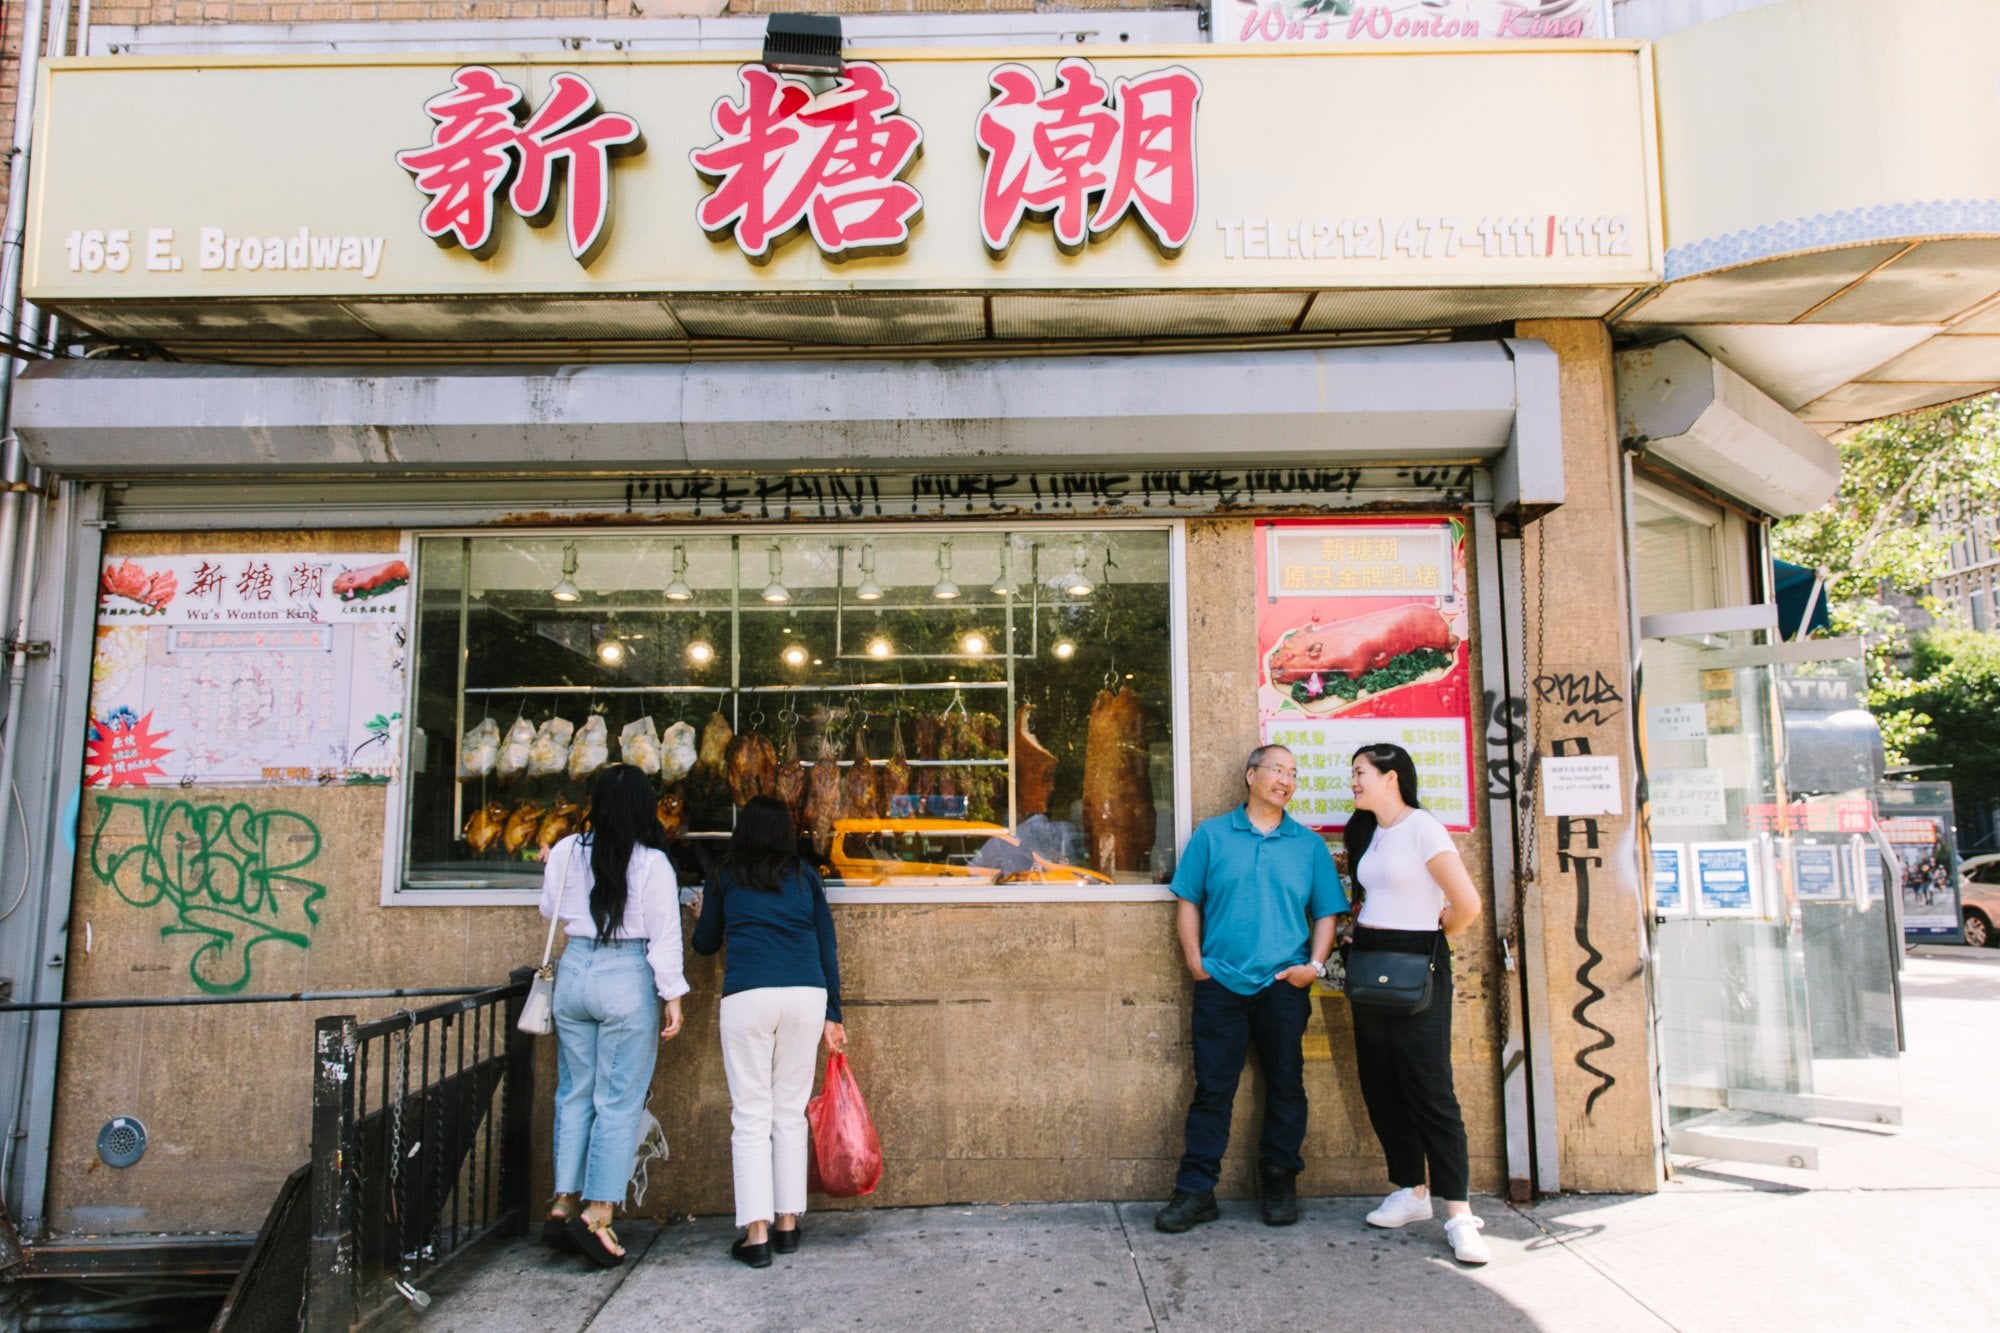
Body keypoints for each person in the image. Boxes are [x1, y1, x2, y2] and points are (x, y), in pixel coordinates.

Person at [1154, 743, 1347, 1234]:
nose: (1286, 779)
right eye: (1277, 769)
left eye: (1294, 773)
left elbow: (1327, 912)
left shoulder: (1306, 844)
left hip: (1284, 984)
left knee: (1286, 1086)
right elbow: (1188, 900)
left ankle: (1280, 1183)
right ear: (1250, 775)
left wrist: (1314, 966)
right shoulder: (1213, 835)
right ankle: (1196, 1191)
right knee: (1213, 1090)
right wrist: (1195, 961)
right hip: (1221, 983)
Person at [1344, 742, 1489, 1265]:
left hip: (1418, 960)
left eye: (1360, 773)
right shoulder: (1365, 831)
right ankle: (1411, 1190)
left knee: (1430, 1089)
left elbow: (1467, 905)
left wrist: (1428, 940)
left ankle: (1459, 1214)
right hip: (1369, 961)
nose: (1353, 782)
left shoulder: (1423, 827)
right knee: (1379, 1082)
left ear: (1391, 777)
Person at [539, 764, 688, 1267]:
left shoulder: (564, 851)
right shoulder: (651, 863)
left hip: (575, 970)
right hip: (626, 975)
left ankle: (562, 1201)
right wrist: (673, 995)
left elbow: (549, 910)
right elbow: (664, 936)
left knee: (574, 1092)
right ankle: (598, 1213)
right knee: (618, 1099)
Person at [691, 794, 847, 1269]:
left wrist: (701, 913)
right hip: (805, 994)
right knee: (790, 1112)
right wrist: (834, 1014)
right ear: (785, 833)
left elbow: (704, 946)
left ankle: (755, 1235)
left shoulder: (724, 873)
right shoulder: (805, 878)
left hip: (749, 995)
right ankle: (786, 1223)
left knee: (751, 1113)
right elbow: (827, 946)